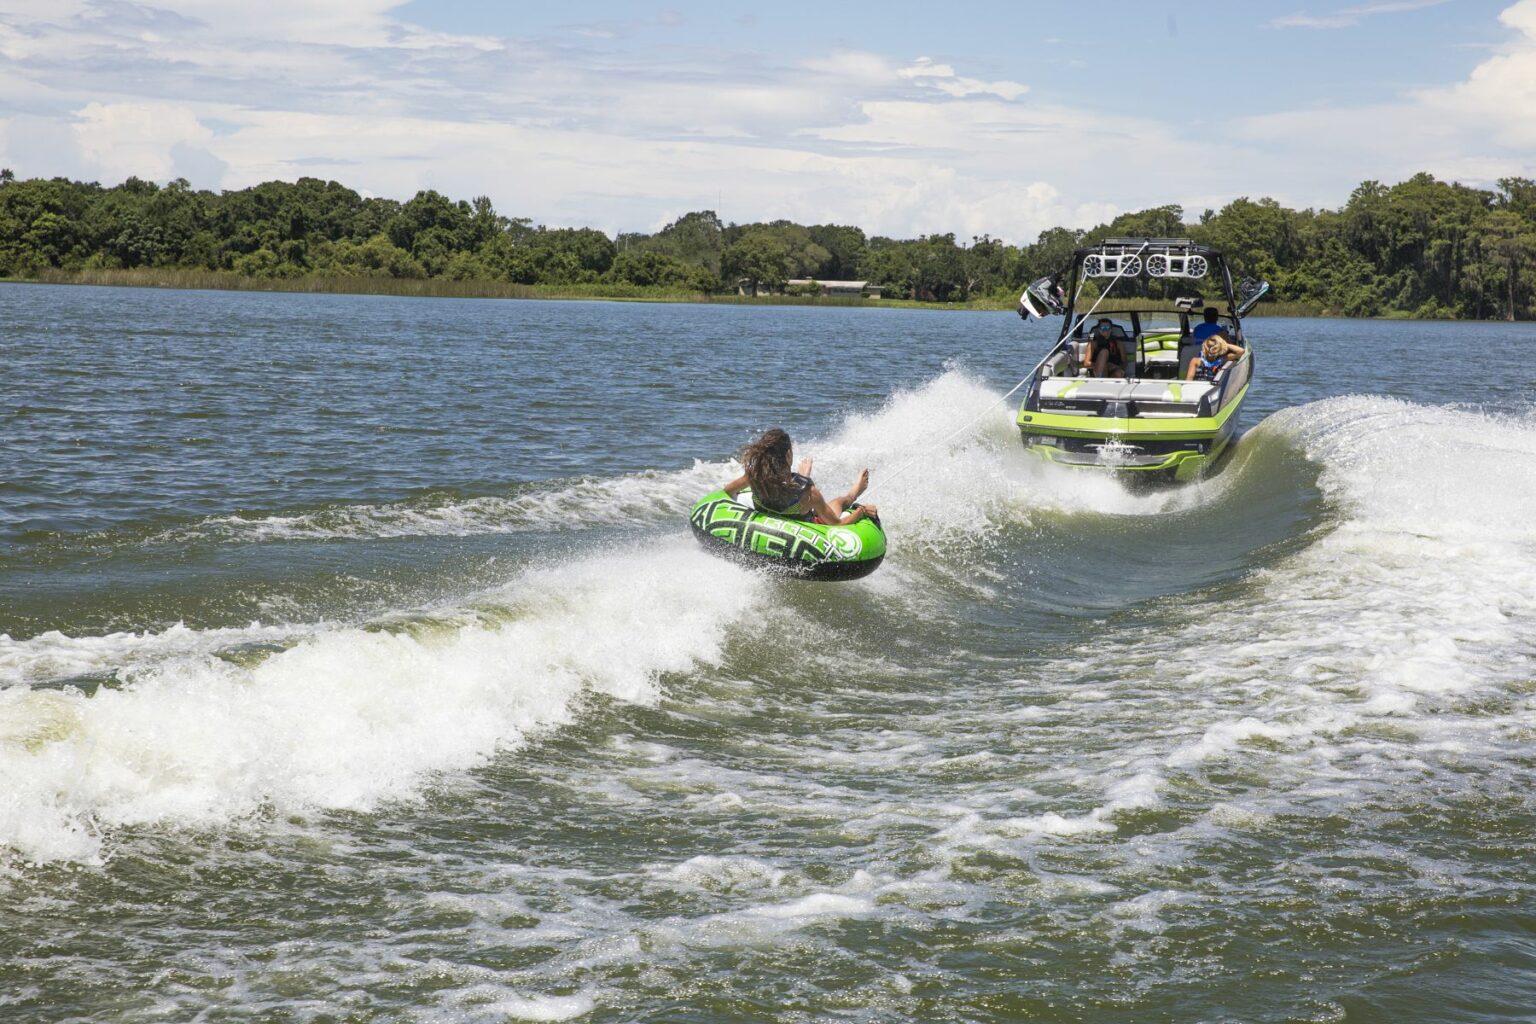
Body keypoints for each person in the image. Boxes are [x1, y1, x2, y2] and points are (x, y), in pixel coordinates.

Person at [723, 428, 878, 525]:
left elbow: (727, 493)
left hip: (773, 511)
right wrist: (861, 511)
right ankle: (853, 494)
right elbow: (837, 524)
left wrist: (803, 478)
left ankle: (851, 493)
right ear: (788, 454)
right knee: (839, 501)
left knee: (818, 497)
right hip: (806, 523)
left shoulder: (754, 477)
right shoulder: (809, 494)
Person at [1186, 308, 1246, 381]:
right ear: (1216, 318)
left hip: (1195, 352)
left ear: (1204, 317)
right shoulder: (1220, 330)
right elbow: (1238, 350)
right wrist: (1223, 344)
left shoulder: (1197, 328)